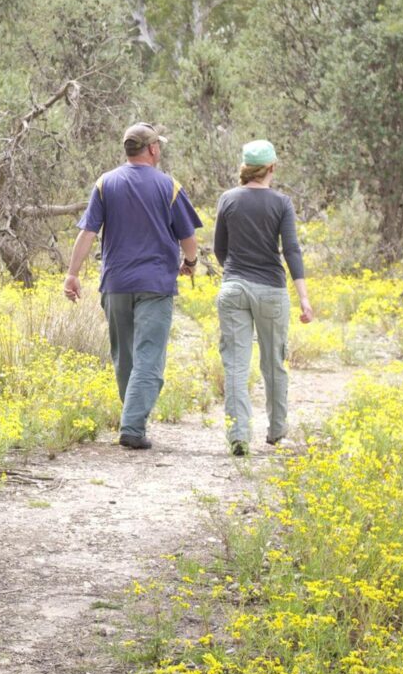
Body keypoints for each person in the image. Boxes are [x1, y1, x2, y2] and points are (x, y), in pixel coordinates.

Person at [63, 122, 202, 450]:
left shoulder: (105, 183)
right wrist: (191, 263)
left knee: (124, 356)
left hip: (116, 283)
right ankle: (133, 425)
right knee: (149, 357)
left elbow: (87, 232)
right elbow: (189, 237)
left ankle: (132, 419)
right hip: (155, 284)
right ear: (152, 149)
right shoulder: (168, 186)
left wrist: (72, 273)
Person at [211, 140, 314, 457]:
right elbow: (291, 250)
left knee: (236, 366)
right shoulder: (281, 203)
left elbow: (219, 248)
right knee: (273, 362)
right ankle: (276, 430)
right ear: (272, 167)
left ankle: (238, 435)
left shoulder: (228, 199)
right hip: (271, 289)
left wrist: (234, 270)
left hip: (234, 288)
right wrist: (304, 298)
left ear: (245, 168)